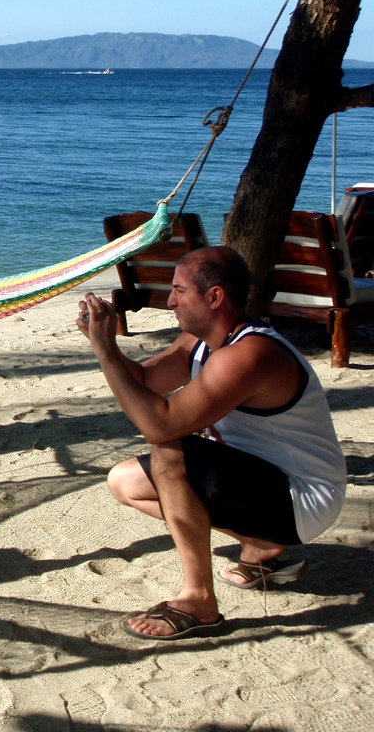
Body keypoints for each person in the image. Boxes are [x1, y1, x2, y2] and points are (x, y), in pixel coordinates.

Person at [76, 246, 346, 640]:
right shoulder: (201, 341)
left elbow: (159, 426)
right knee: (126, 482)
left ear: (215, 296)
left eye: (179, 291)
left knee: (169, 451)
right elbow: (146, 381)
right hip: (262, 480)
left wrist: (104, 349)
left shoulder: (249, 354)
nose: (170, 301)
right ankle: (258, 542)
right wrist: (105, 346)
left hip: (303, 497)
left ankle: (199, 600)